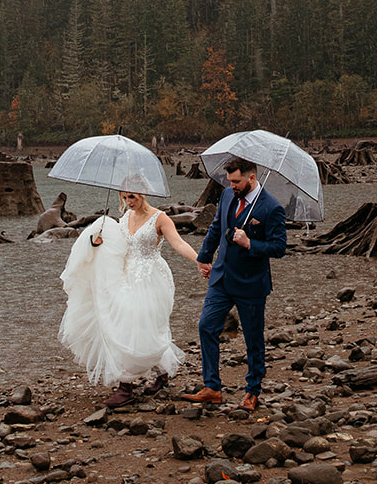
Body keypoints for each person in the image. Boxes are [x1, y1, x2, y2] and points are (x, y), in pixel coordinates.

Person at [59, 189, 201, 408]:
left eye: (132, 197)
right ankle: (157, 373)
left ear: (143, 195)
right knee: (124, 326)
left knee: (141, 326)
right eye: (124, 198)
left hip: (150, 278)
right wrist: (98, 242)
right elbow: (119, 246)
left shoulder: (160, 218)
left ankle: (127, 387)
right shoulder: (125, 217)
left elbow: (179, 243)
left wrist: (200, 261)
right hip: (124, 276)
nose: (128, 202)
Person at [181, 157, 287, 412]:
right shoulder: (228, 196)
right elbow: (216, 228)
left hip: (251, 284)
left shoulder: (272, 207)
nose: (232, 185)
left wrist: (250, 243)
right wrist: (203, 259)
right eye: (229, 181)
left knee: (253, 340)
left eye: (236, 181)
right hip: (221, 278)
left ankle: (252, 391)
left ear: (251, 178)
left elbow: (279, 248)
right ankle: (212, 387)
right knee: (206, 327)